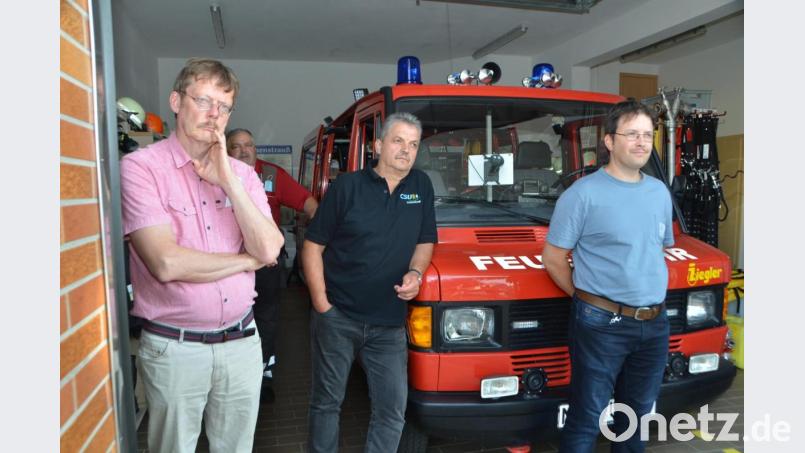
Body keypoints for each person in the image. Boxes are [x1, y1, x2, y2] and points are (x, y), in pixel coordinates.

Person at [120, 58, 285, 453]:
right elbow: (166, 263)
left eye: (224, 107)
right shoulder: (140, 168)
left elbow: (270, 247)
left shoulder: (243, 176)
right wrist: (247, 262)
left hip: (243, 344)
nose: (214, 114)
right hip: (176, 350)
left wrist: (228, 178)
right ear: (177, 101)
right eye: (204, 100)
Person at [542, 100, 674, 453]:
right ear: (609, 142)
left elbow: (654, 250)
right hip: (601, 324)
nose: (642, 142)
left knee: (636, 419)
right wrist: (586, 299)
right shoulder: (582, 195)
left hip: (654, 322)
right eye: (632, 134)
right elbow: (553, 259)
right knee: (587, 417)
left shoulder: (659, 192)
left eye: (647, 134)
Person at [302, 112, 437, 452]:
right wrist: (322, 304)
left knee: (392, 411)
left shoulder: (421, 186)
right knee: (327, 403)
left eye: (413, 144)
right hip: (339, 318)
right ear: (378, 146)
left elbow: (425, 241)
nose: (406, 150)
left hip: (389, 324)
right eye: (398, 141)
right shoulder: (347, 187)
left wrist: (416, 273)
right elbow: (312, 246)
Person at [225, 127, 318, 402]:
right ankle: (233, 377)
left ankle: (263, 373)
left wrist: (320, 233)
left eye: (249, 145)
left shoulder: (271, 175)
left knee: (265, 319)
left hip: (264, 265)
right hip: (228, 266)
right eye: (236, 146)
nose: (244, 150)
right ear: (226, 150)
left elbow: (307, 201)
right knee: (232, 320)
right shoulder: (216, 175)